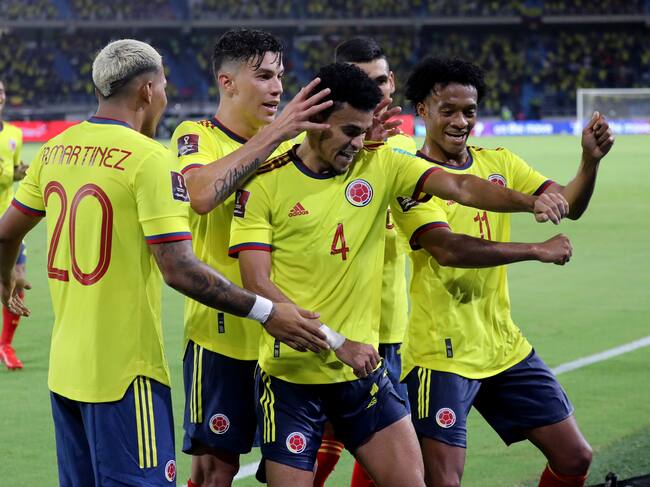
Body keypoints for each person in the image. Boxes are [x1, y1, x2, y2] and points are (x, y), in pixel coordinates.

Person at [0, 39, 328, 487]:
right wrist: (267, 311)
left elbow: (6, 232)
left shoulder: (56, 149)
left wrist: (9, 274)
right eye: (166, 87)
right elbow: (180, 270)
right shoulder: (151, 159)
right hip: (126, 373)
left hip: (66, 373)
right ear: (149, 90)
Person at [228, 63, 569, 487]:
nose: (358, 143)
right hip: (292, 378)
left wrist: (530, 202)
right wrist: (338, 342)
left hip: (362, 374)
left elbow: (460, 187)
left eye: (363, 131)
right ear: (315, 121)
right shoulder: (264, 184)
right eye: (349, 131)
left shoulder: (382, 164)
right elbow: (257, 283)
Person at [398, 57, 614, 487]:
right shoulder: (410, 178)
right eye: (448, 110)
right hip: (440, 354)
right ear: (422, 109)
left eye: (469, 111)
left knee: (574, 457)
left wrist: (588, 163)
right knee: (443, 480)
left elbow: (566, 204)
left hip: (503, 345)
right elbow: (448, 249)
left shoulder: (500, 162)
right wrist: (535, 249)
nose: (461, 122)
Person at [169, 29, 333, 487]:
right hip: (224, 337)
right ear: (227, 82)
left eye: (280, 76)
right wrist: (277, 132)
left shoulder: (295, 146)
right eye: (263, 76)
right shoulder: (197, 135)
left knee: (297, 466)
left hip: (289, 332)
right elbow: (201, 195)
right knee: (214, 470)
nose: (278, 88)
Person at [314, 36, 415, 487]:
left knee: (382, 449)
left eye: (378, 82)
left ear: (391, 82)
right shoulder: (320, 146)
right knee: (317, 450)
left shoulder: (407, 149)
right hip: (331, 324)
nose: (371, 94)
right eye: (358, 83)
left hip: (389, 322)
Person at [0, 79, 29, 370]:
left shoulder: (14, 134)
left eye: (1, 91)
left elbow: (14, 170)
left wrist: (22, 173)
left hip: (8, 217)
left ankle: (6, 345)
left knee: (18, 279)